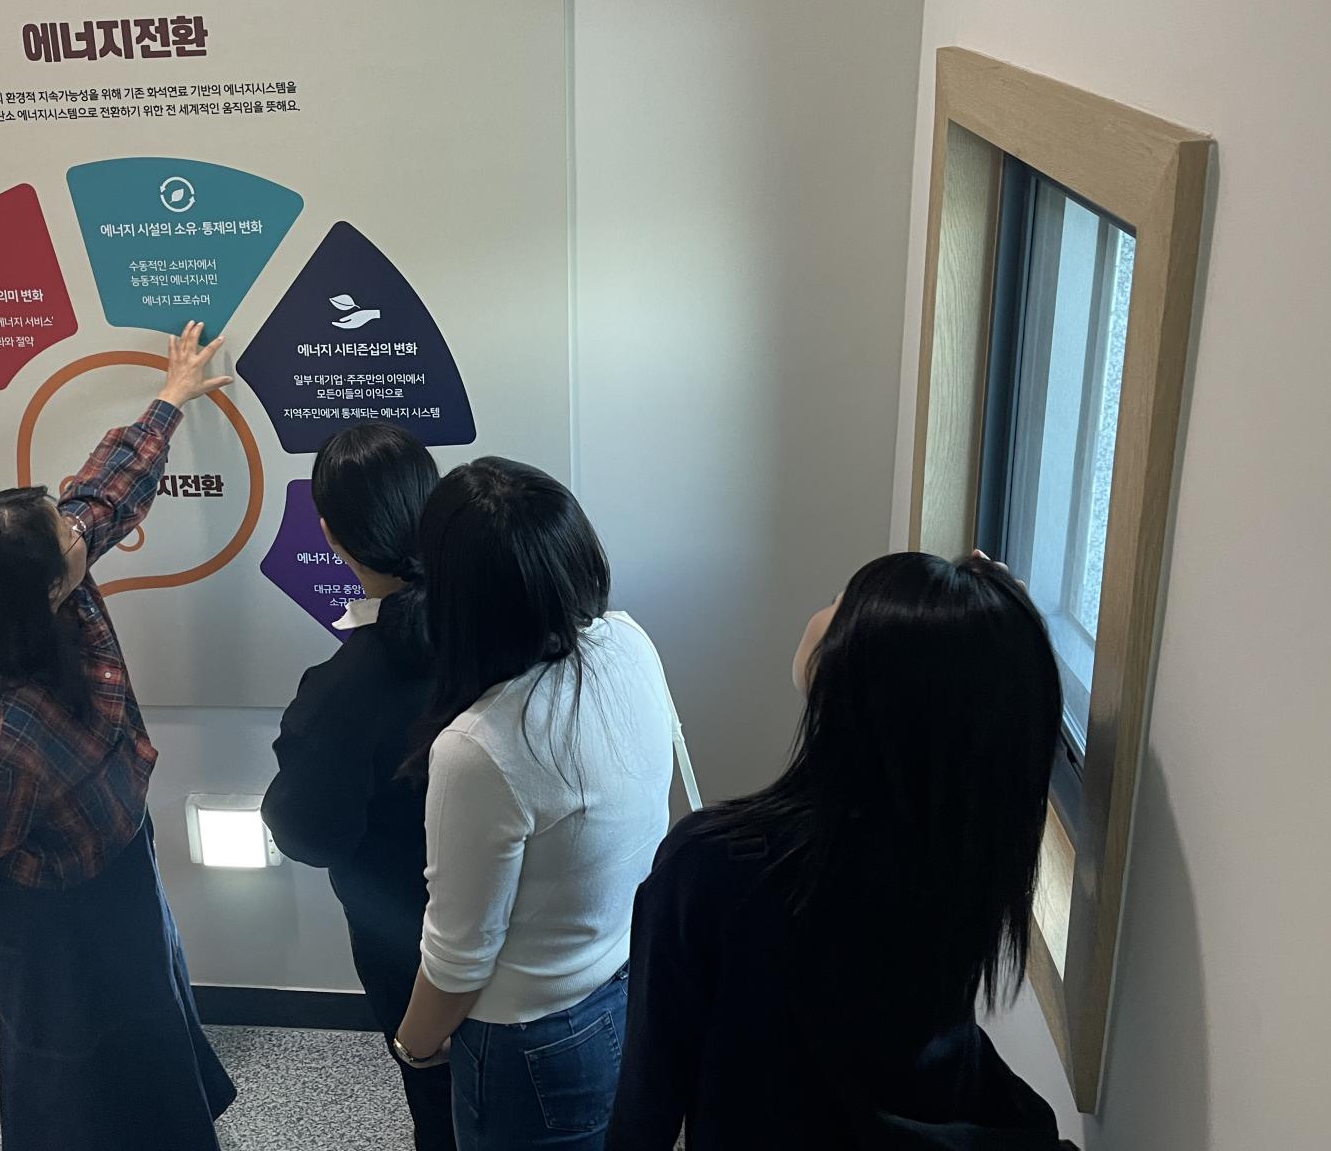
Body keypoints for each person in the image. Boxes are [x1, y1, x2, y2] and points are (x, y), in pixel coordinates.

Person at [607, 552, 1075, 1150]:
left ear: (853, 671)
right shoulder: (964, 852)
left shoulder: (712, 866)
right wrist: (994, 618)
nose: (824, 610)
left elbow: (647, 1100)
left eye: (839, 602)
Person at [0, 322, 238, 1151]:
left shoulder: (47, 594)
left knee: (149, 1006)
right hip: (54, 915)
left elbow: (106, 492)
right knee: (69, 1055)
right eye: (64, 535)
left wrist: (171, 395)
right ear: (53, 585)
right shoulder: (2, 730)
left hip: (122, 859)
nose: (77, 528)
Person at [391, 458, 674, 1151]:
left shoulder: (479, 747)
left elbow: (459, 958)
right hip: (625, 985)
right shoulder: (629, 641)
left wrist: (413, 1046)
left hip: (533, 1039)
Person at [263, 421, 455, 1150]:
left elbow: (309, 834)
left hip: (408, 938)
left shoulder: (343, 691)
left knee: (439, 1101)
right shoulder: (502, 636)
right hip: (531, 930)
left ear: (330, 535)